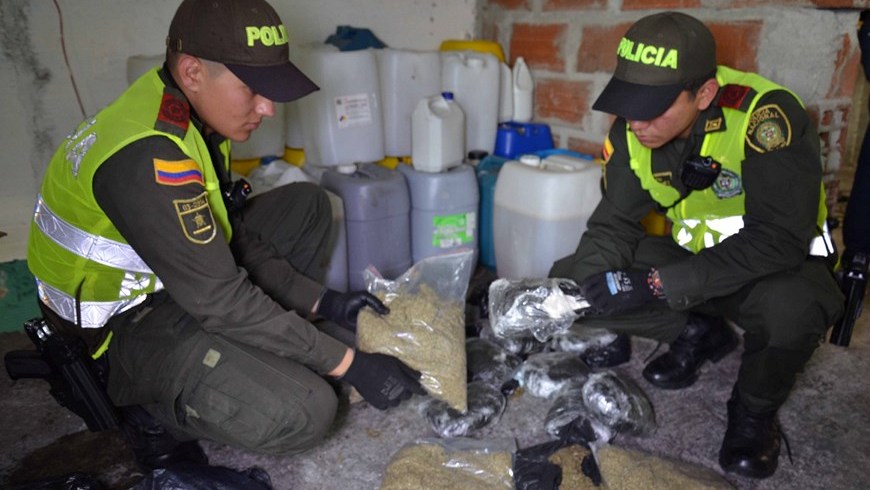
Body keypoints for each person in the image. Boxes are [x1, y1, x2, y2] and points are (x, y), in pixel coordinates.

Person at [26, 0, 424, 468]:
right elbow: (221, 297)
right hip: (118, 336)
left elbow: (226, 239)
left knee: (306, 204)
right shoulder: (153, 155)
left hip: (172, 286)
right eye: (252, 89)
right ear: (193, 71)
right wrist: (348, 364)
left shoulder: (187, 114)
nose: (268, 108)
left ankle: (261, 345)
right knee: (309, 408)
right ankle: (150, 412)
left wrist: (322, 302)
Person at [549, 12, 844, 479]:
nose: (636, 122)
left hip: (771, 270)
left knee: (793, 311)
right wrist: (573, 296)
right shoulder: (632, 131)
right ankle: (700, 331)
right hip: (697, 265)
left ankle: (754, 409)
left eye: (654, 107)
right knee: (575, 280)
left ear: (703, 94)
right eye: (629, 103)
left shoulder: (765, 119)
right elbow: (612, 226)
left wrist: (655, 282)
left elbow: (780, 240)